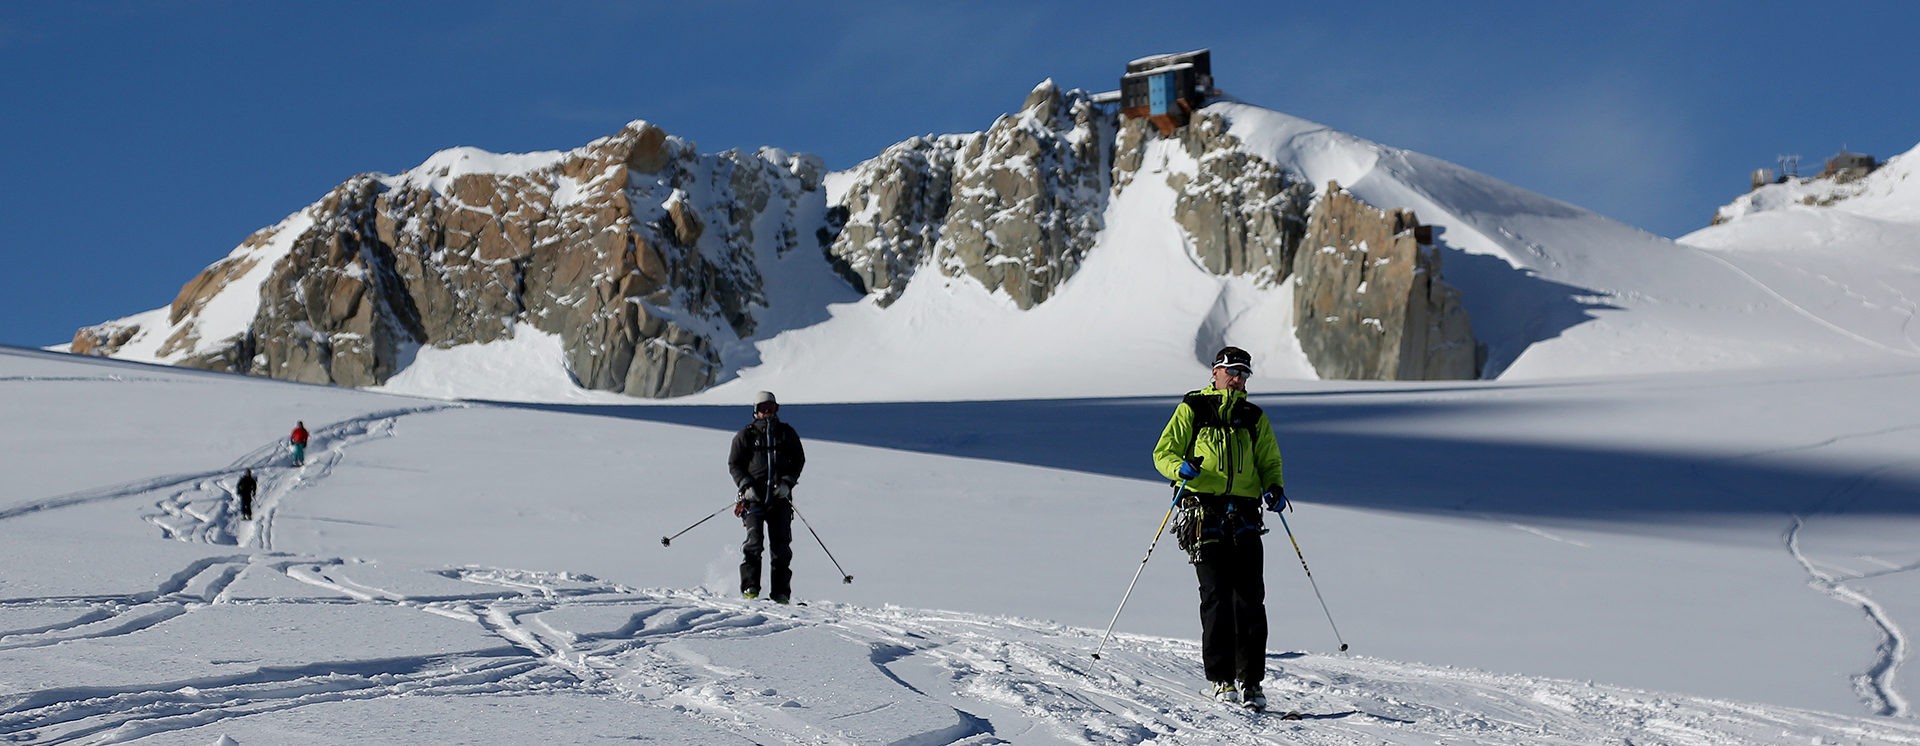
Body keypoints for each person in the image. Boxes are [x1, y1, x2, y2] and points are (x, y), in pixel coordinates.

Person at [1150, 345, 1289, 711]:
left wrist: (1274, 488)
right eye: (1232, 371)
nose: (1238, 378)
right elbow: (1162, 452)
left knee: (1250, 598)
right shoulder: (1193, 408)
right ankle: (1221, 678)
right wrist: (1180, 468)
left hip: (1245, 513)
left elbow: (1269, 461)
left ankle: (1252, 682)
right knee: (1215, 595)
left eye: (1244, 373)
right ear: (1215, 372)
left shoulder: (1253, 417)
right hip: (1203, 512)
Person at [727, 391, 805, 603]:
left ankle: (780, 594)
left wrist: (788, 483)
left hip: (780, 500)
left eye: (771, 408)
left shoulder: (787, 433)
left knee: (781, 547)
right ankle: (750, 589)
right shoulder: (747, 435)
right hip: (754, 499)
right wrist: (745, 485)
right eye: (763, 409)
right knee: (754, 543)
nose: (767, 413)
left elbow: (798, 460)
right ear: (756, 411)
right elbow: (735, 464)